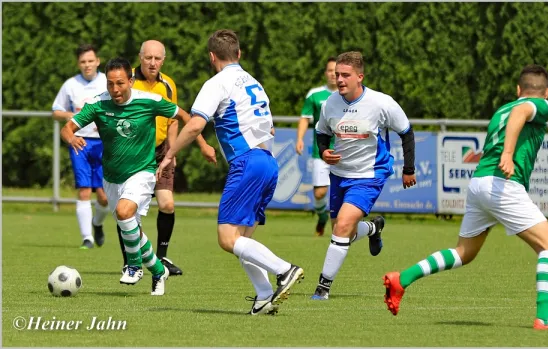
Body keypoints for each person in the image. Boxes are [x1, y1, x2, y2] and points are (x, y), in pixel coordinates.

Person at [382, 64, 548, 331]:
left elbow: (516, 112)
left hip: (480, 183)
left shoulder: (500, 111)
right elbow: (522, 111)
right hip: (504, 185)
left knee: (464, 252)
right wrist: (508, 154)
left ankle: (401, 279)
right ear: (547, 92)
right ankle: (544, 318)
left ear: (518, 89)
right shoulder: (541, 105)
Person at [157, 29, 304, 315]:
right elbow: (268, 128)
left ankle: (284, 270)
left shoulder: (217, 83)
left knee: (227, 238)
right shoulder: (254, 83)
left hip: (247, 163)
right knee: (242, 240)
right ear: (238, 54)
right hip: (268, 162)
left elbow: (196, 124)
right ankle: (263, 296)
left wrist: (170, 154)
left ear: (212, 57)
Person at [60, 57, 210, 295]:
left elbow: (184, 116)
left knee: (124, 213)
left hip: (142, 172)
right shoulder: (99, 104)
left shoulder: (149, 101)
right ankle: (159, 271)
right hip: (112, 178)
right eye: (110, 84)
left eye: (120, 83)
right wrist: (72, 138)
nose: (115, 89)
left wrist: (202, 145)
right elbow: (67, 128)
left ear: (130, 81)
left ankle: (133, 266)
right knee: (133, 231)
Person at [312, 51, 417, 300]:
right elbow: (321, 132)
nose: (339, 80)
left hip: (370, 174)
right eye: (337, 74)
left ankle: (322, 288)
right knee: (339, 229)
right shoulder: (330, 104)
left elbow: (406, 132)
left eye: (345, 75)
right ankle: (372, 228)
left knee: (343, 226)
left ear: (360, 76)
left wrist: (409, 169)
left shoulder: (381, 103)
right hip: (339, 174)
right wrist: (324, 151)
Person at [112, 40, 216, 277]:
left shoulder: (168, 85)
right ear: (140, 57)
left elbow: (173, 118)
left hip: (160, 151)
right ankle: (131, 260)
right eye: (148, 58)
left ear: (163, 60)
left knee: (167, 204)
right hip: (132, 152)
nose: (152, 62)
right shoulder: (128, 81)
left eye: (157, 58)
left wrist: (172, 150)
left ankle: (161, 257)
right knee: (128, 210)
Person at [52, 43, 111, 249]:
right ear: (78, 64)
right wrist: (72, 115)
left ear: (97, 61)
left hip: (104, 143)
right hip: (80, 143)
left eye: (90, 61)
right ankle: (87, 238)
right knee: (84, 190)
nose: (87, 65)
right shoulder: (70, 85)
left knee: (104, 196)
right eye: (83, 62)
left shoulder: (107, 81)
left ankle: (97, 223)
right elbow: (56, 111)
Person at [296, 57, 338, 236]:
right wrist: (299, 138)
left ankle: (340, 231)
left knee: (342, 193)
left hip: (345, 152)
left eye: (336, 71)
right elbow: (305, 118)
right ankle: (322, 217)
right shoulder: (315, 95)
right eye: (330, 70)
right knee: (320, 193)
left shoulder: (349, 94)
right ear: (325, 73)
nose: (333, 74)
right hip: (320, 152)